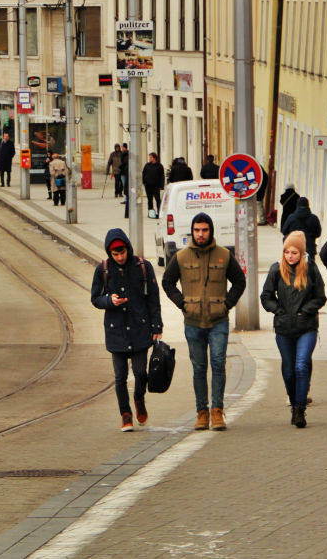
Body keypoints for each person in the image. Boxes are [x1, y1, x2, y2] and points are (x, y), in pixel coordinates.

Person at [163, 212, 246, 431]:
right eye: (197, 230)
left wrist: (226, 305)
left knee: (218, 365)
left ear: (211, 231)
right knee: (199, 368)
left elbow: (240, 281)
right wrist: (183, 304)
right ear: (192, 231)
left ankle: (217, 411)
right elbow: (167, 282)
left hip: (218, 321)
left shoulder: (224, 255)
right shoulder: (181, 257)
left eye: (205, 230)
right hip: (193, 322)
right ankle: (202, 412)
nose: (200, 234)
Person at [91, 229, 163, 432]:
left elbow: (153, 298)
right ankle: (125, 414)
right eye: (115, 254)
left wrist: (157, 325)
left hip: (140, 328)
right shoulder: (103, 270)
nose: (120, 257)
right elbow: (95, 298)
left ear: (128, 249)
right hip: (116, 331)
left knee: (141, 373)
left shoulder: (142, 267)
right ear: (109, 253)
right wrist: (109, 300)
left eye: (122, 252)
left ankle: (139, 398)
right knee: (120, 376)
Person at [260, 230, 326, 428]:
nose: (290, 256)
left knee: (301, 365)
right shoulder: (275, 270)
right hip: (284, 328)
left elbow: (320, 297)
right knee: (289, 371)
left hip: (306, 326)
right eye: (287, 252)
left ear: (301, 253)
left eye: (294, 252)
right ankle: (293, 398)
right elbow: (266, 296)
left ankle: (299, 409)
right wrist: (278, 310)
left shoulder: (311, 269)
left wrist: (305, 310)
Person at [142, 152, 165, 217]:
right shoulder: (147, 165)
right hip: (148, 185)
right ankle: (150, 212)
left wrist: (161, 185)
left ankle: (159, 211)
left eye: (151, 157)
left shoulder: (159, 166)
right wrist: (144, 182)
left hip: (156, 186)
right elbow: (143, 173)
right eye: (149, 157)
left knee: (157, 199)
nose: (150, 158)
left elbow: (162, 176)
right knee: (149, 200)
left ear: (154, 158)